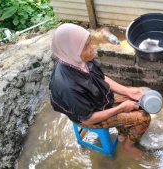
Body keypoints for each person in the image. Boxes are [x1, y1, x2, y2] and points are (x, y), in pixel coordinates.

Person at [49, 23, 151, 159]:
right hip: (89, 117)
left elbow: (101, 78)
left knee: (142, 93)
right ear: (72, 50)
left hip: (99, 99)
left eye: (90, 43)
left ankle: (122, 132)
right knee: (144, 118)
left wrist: (128, 91)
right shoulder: (67, 86)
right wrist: (120, 108)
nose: (93, 48)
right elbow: (88, 118)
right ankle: (128, 146)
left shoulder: (77, 59)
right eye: (86, 46)